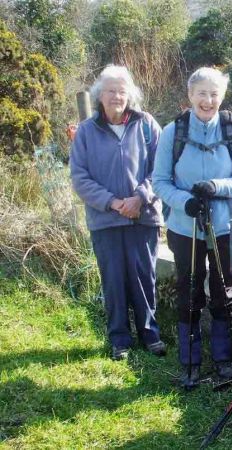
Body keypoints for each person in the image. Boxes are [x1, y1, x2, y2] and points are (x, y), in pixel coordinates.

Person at [152, 67, 232, 383]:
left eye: (214, 94)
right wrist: (185, 202)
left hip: (227, 226)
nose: (208, 100)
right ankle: (190, 360)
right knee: (189, 288)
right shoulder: (174, 131)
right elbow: (159, 181)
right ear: (190, 96)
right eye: (202, 93)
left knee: (225, 290)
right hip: (185, 226)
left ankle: (224, 361)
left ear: (221, 97)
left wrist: (216, 187)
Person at [70, 65, 166, 361]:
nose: (116, 96)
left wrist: (139, 198)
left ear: (130, 95)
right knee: (112, 280)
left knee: (144, 276)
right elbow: (79, 178)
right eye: (110, 90)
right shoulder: (86, 131)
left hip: (143, 217)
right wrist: (113, 202)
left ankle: (150, 335)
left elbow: (161, 169)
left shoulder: (147, 124)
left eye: (122, 91)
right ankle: (119, 340)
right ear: (100, 96)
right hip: (105, 220)